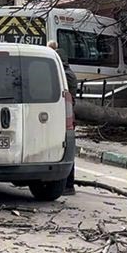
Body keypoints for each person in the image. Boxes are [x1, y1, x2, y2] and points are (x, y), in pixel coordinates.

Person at [48, 40, 78, 196]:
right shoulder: (68, 72)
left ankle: (68, 184)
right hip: (67, 113)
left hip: (66, 114)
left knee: (66, 147)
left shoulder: (65, 75)